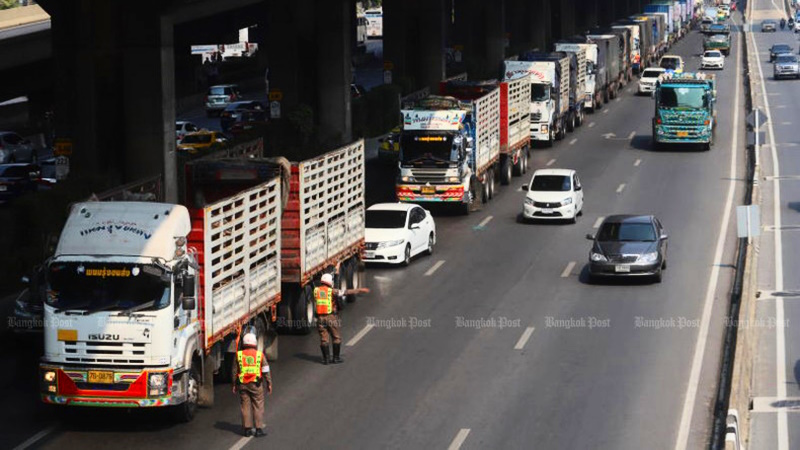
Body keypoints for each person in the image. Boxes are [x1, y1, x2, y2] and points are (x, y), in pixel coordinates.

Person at [232, 332, 272, 437]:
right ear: (254, 343)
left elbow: (234, 371)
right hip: (256, 384)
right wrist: (269, 383)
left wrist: (234, 385)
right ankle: (258, 429)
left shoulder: (239, 355)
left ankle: (247, 429)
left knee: (245, 406)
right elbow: (265, 370)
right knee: (258, 405)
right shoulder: (259, 355)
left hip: (243, 384)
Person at [315, 273, 346, 365]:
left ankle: (326, 359)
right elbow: (341, 293)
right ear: (329, 281)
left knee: (324, 338)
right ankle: (336, 358)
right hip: (330, 317)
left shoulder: (316, 290)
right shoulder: (331, 291)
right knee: (336, 337)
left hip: (320, 318)